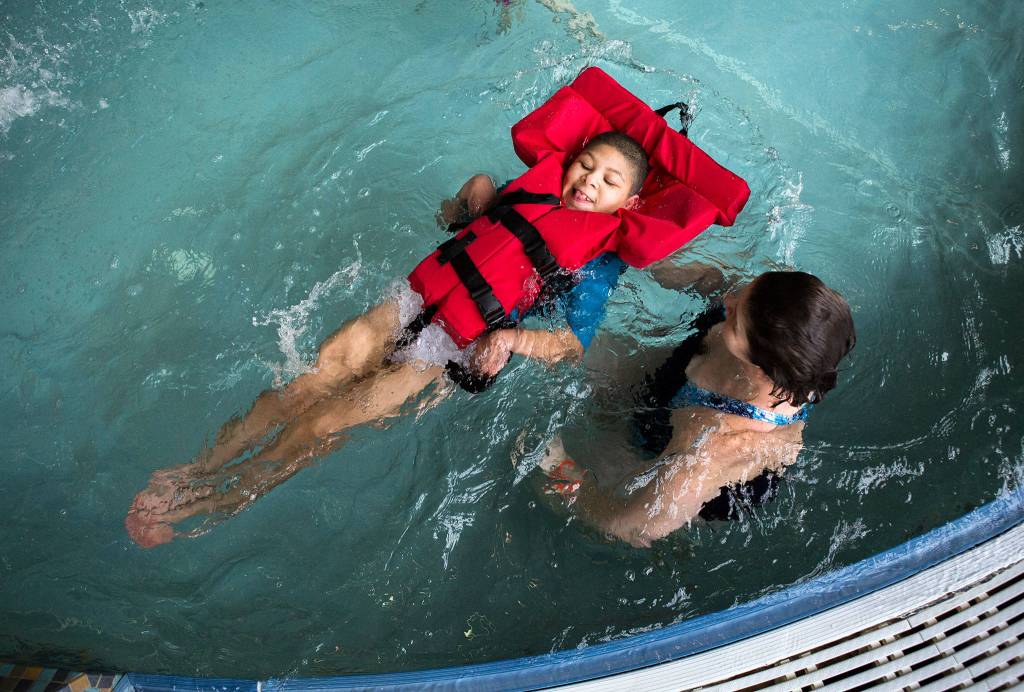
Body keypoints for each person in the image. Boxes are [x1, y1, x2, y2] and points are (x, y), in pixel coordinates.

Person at [124, 133, 652, 548]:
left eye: (609, 182)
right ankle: (201, 468)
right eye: (587, 165)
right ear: (573, 159)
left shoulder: (597, 267)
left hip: (448, 351)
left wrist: (512, 339)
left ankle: (215, 503)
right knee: (312, 380)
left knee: (323, 422)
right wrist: (471, 196)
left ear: (627, 204)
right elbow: (451, 219)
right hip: (411, 302)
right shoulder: (529, 189)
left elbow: (570, 345)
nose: (589, 182)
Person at [538, 267, 856, 548]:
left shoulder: (711, 447)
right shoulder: (776, 313)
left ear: (760, 369)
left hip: (675, 462)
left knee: (547, 456)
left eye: (734, 317)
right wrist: (646, 260)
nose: (729, 300)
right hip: (678, 390)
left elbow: (631, 526)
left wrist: (560, 470)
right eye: (746, 293)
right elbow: (714, 281)